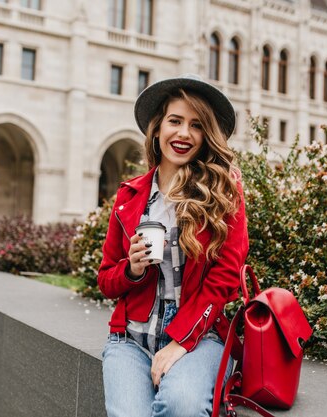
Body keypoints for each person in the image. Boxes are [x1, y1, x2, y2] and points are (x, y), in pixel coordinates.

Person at [97, 74, 249, 417]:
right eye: (175, 121)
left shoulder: (225, 192)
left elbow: (225, 278)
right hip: (131, 339)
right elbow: (106, 279)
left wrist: (180, 341)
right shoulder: (129, 196)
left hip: (202, 337)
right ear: (157, 129)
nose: (183, 133)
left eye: (196, 125)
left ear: (206, 136)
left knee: (182, 405)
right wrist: (132, 270)